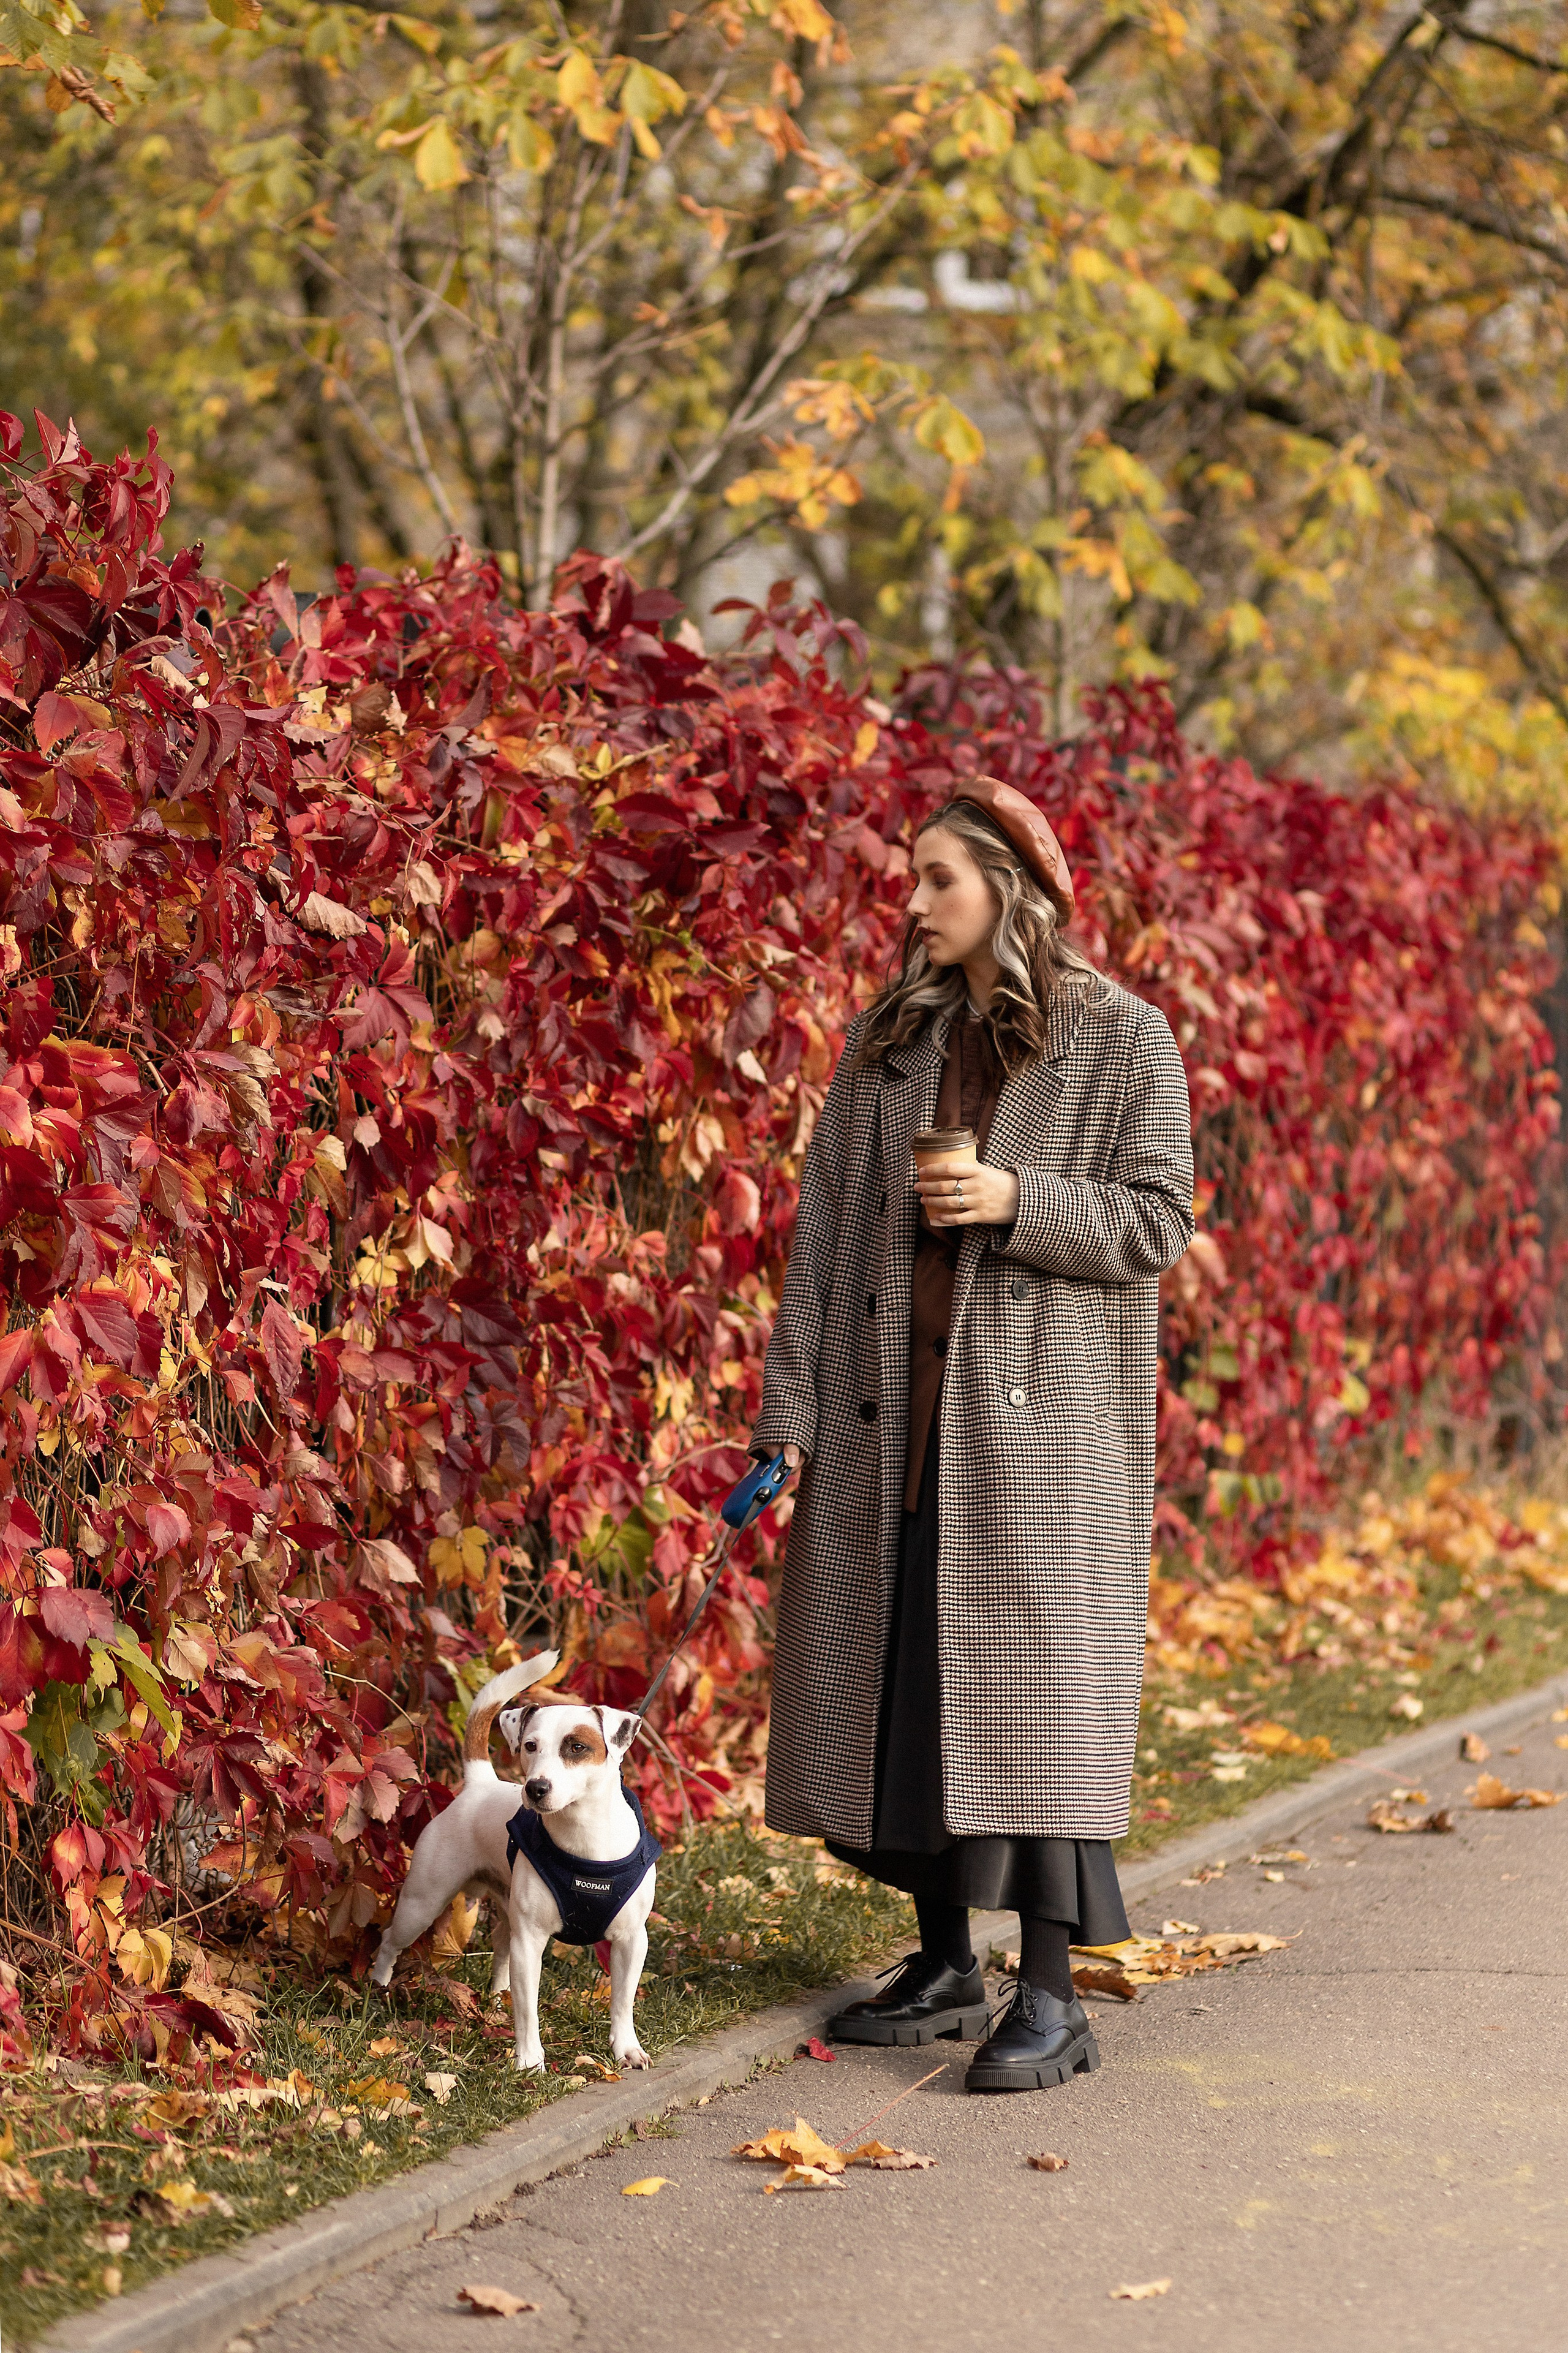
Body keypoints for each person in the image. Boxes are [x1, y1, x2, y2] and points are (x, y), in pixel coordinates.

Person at [749, 776, 1194, 2091]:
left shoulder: (1123, 1038)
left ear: (1012, 885)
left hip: (1042, 1441)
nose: (913, 898)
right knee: (902, 1693)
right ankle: (946, 1965)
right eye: (911, 874)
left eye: (937, 875)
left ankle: (1051, 1997)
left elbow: (1158, 1222)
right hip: (890, 1419)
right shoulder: (887, 1040)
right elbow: (821, 1243)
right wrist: (788, 1414)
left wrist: (1012, 1197)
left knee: (1033, 1711)